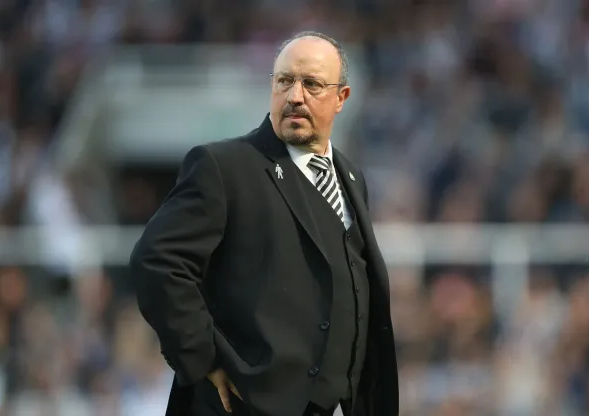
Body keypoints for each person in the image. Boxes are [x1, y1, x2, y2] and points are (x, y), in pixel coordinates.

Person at [130, 31, 399, 416]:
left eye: (311, 84)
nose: (295, 96)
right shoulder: (223, 167)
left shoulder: (351, 178)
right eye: (285, 81)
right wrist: (203, 358)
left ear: (342, 98)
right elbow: (157, 262)